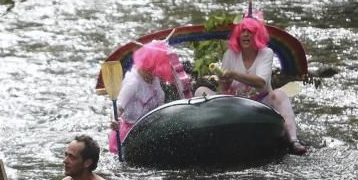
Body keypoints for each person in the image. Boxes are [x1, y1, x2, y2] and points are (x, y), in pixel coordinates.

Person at [195, 11, 307, 155]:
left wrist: (234, 74)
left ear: (258, 35)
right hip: (234, 104)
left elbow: (261, 83)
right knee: (200, 91)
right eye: (243, 32)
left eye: (250, 32)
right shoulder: (229, 54)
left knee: (279, 95)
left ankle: (293, 140)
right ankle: (204, 136)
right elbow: (224, 90)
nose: (246, 35)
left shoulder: (266, 53)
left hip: (261, 104)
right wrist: (225, 82)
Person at [108, 41, 175, 153]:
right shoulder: (133, 82)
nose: (152, 75)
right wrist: (113, 119)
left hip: (147, 132)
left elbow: (161, 107)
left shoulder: (155, 80)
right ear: (144, 64)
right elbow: (118, 106)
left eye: (155, 72)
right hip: (126, 136)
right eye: (150, 70)